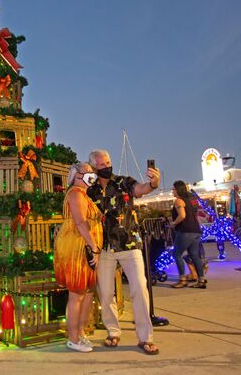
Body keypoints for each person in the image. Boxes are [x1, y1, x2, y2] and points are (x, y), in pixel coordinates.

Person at [87, 149, 160, 355]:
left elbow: (141, 189)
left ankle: (146, 337)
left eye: (108, 162)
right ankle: (113, 332)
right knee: (106, 292)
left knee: (139, 289)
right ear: (93, 167)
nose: (106, 166)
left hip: (129, 243)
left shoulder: (123, 182)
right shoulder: (90, 191)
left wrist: (154, 183)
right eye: (101, 164)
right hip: (104, 248)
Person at [54, 162, 103, 353]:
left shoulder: (84, 195)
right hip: (78, 247)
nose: (92, 175)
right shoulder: (75, 194)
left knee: (87, 292)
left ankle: (81, 333)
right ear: (76, 175)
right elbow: (81, 222)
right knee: (77, 294)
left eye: (92, 172)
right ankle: (73, 338)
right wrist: (94, 247)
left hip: (86, 246)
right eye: (88, 172)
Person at [170, 180, 207, 289]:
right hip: (196, 230)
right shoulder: (191, 200)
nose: (172, 191)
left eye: (173, 189)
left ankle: (182, 279)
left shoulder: (179, 201)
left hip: (185, 231)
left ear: (177, 190)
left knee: (176, 254)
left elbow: (182, 215)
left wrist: (173, 223)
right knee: (195, 256)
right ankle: (201, 280)